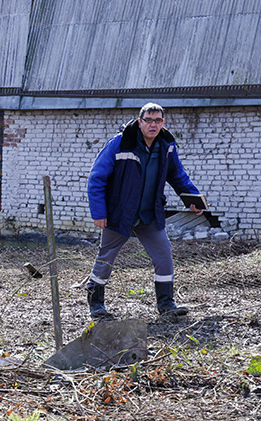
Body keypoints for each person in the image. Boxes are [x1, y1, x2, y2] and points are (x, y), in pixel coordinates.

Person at [85, 102, 203, 319]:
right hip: (119, 213)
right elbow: (96, 178)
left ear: (163, 123)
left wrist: (192, 199)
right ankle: (96, 305)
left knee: (164, 254)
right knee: (106, 257)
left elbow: (178, 176)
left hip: (150, 213)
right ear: (140, 122)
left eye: (158, 120)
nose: (153, 124)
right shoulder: (120, 144)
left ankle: (167, 305)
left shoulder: (166, 146)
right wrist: (99, 212)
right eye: (148, 120)